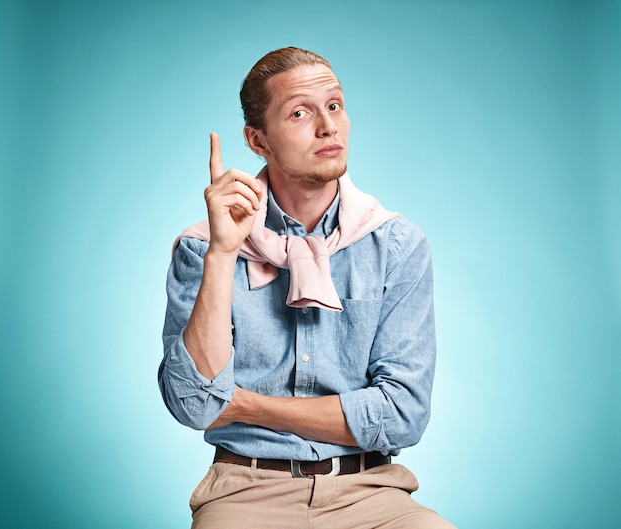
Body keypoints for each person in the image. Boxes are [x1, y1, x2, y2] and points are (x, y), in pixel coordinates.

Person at [159, 46, 456, 529]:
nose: (327, 126)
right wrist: (222, 253)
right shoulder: (202, 248)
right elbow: (194, 404)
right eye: (300, 112)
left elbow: (402, 415)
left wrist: (244, 405)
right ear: (258, 140)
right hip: (245, 491)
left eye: (334, 105)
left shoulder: (398, 245)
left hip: (371, 492)